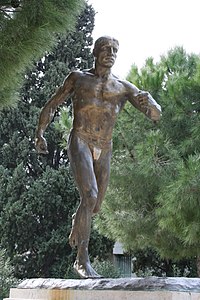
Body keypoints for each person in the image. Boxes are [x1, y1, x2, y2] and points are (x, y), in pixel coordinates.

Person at [35, 35, 161, 279]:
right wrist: (40, 133)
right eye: (105, 48)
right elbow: (52, 104)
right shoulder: (78, 78)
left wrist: (152, 102)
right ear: (95, 52)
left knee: (95, 205)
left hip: (105, 145)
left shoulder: (123, 88)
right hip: (80, 139)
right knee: (90, 195)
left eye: (114, 49)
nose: (110, 53)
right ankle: (82, 260)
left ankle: (78, 219)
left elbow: (155, 115)